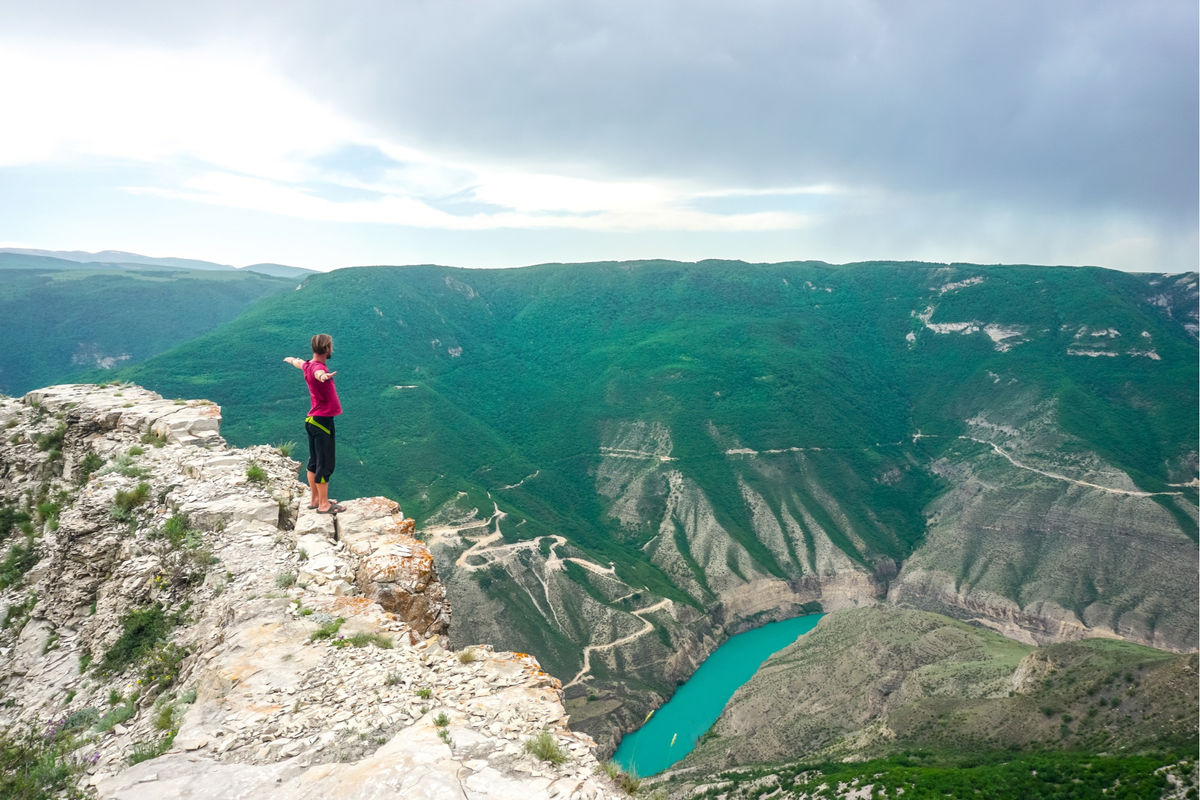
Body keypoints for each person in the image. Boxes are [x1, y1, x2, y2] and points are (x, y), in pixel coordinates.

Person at [283, 334, 344, 514]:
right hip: (322, 422)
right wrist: (323, 377)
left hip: (312, 421)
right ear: (327, 349)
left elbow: (299, 363)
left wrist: (291, 359)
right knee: (324, 465)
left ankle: (315, 499)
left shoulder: (308, 364)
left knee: (314, 462)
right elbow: (319, 374)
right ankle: (324, 505)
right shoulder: (318, 369)